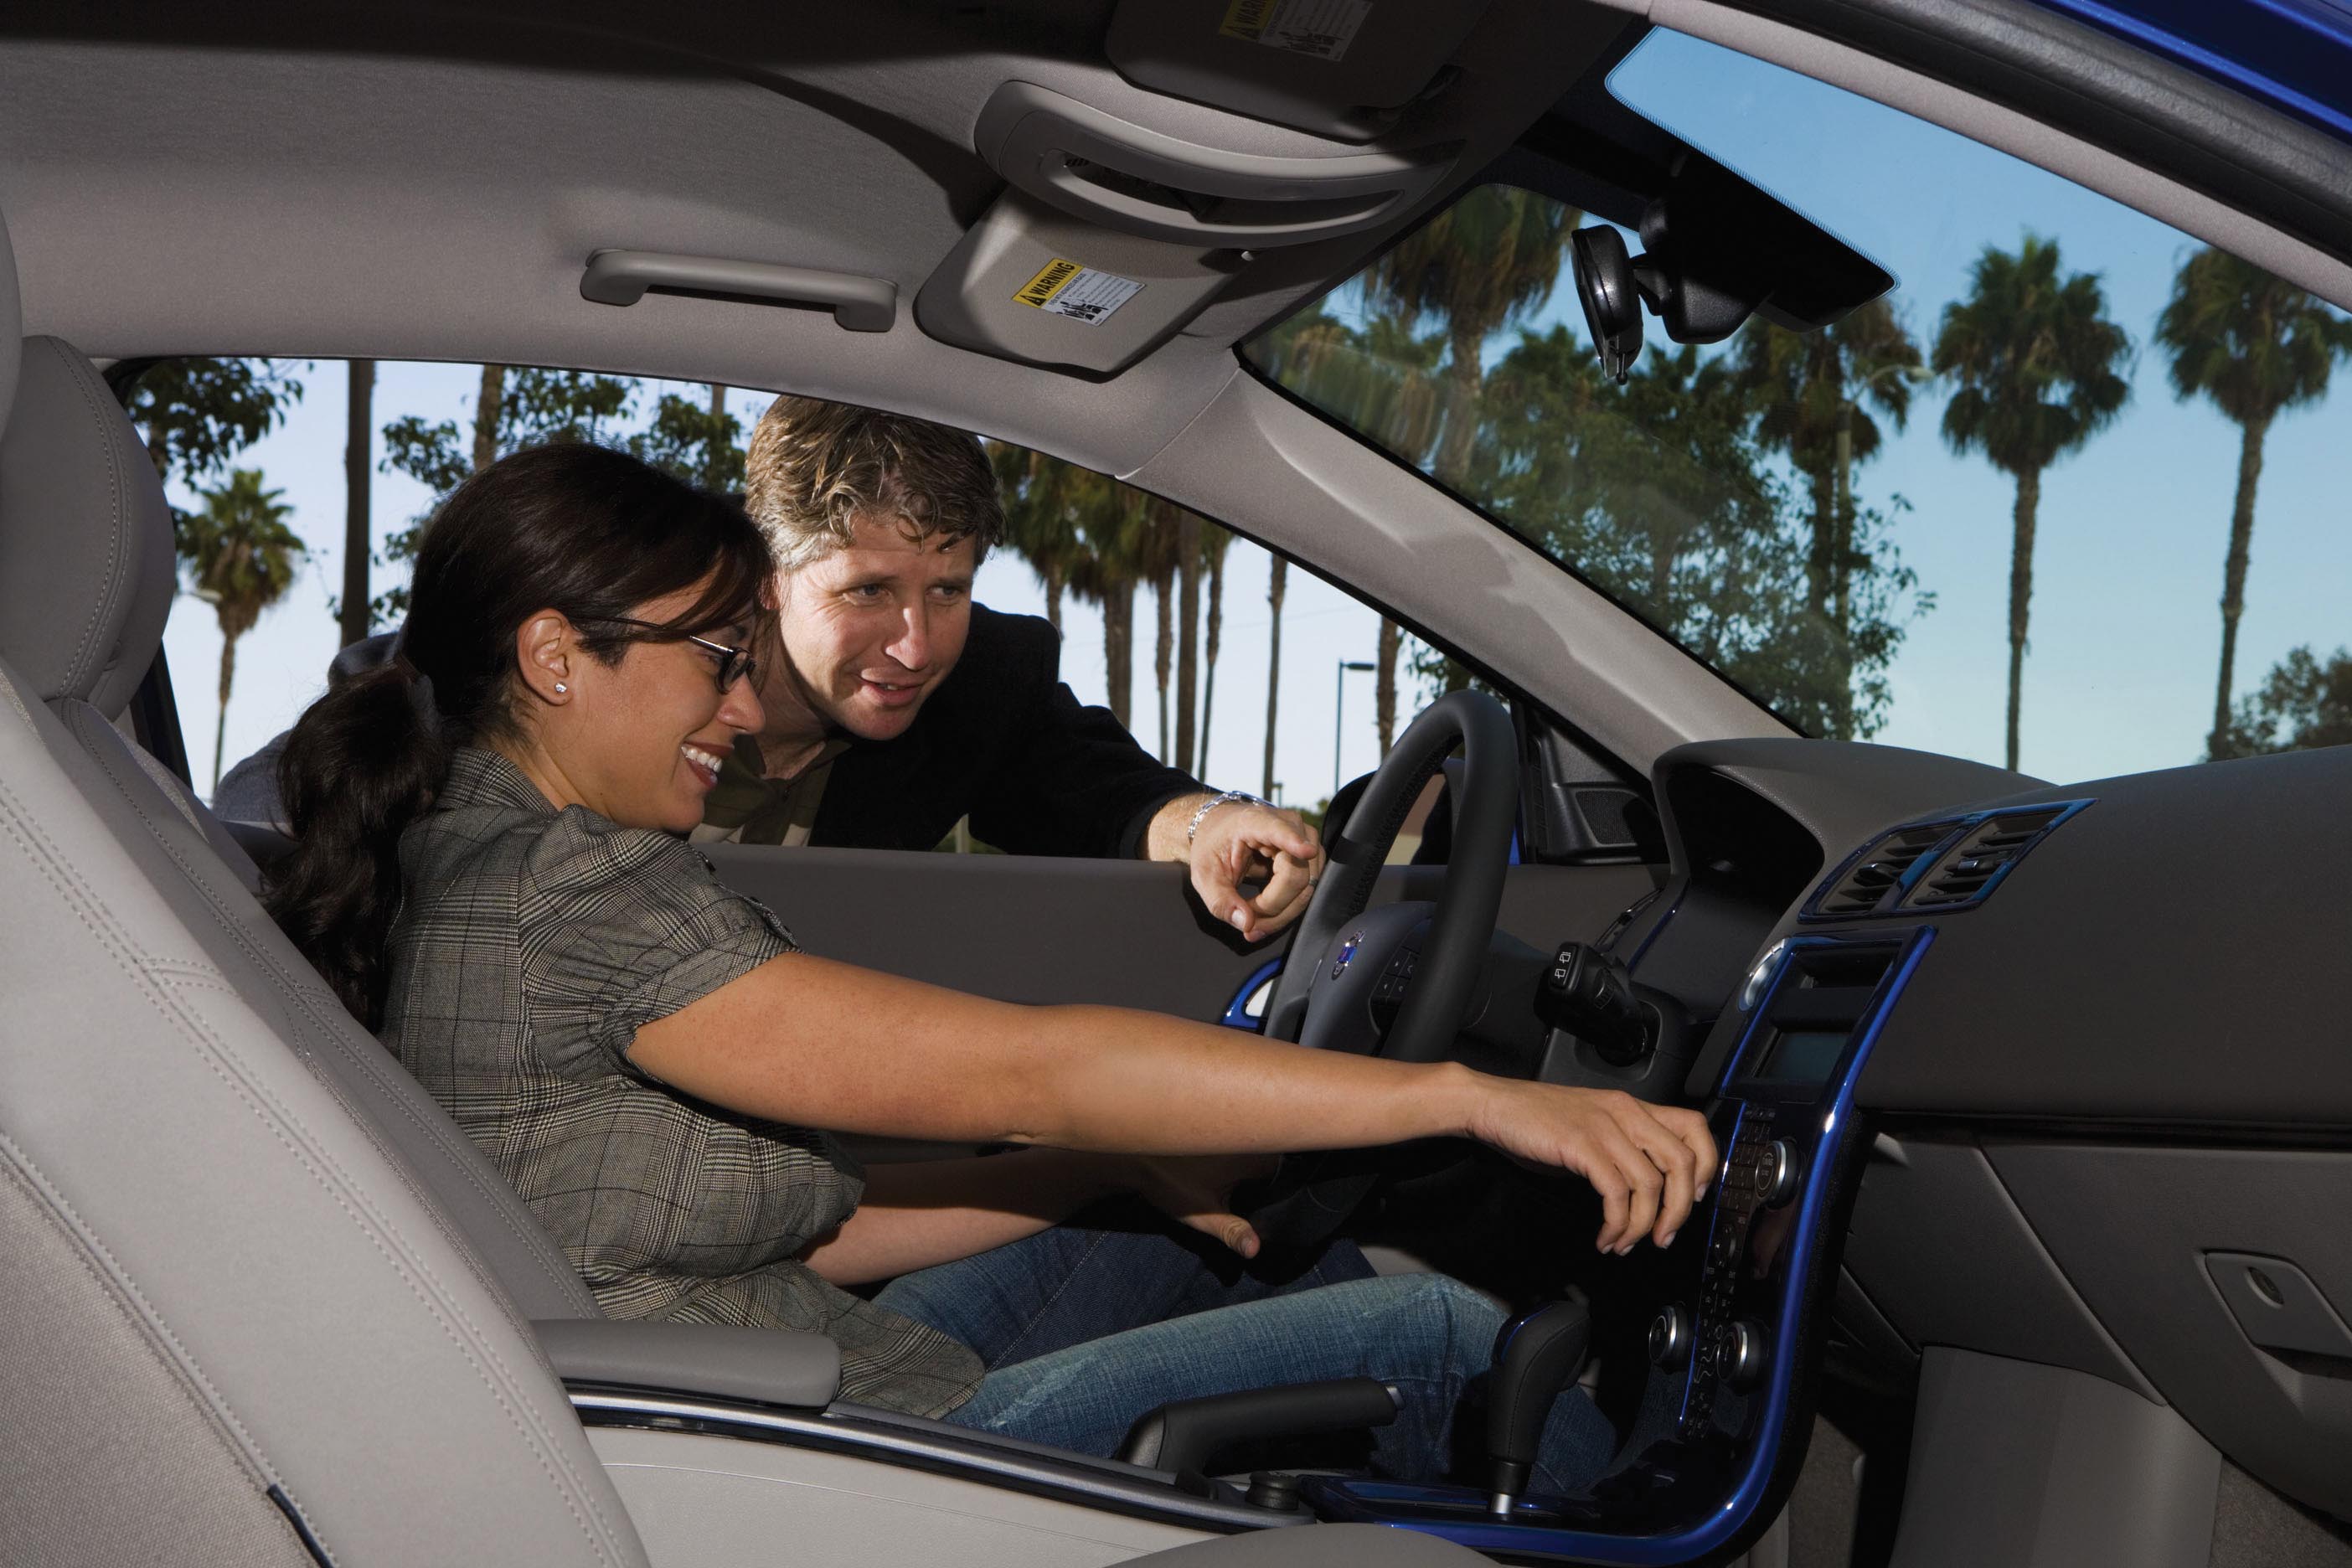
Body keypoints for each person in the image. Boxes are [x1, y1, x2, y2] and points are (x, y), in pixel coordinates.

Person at [261, 443, 1715, 1492]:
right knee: (1449, 1343)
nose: (738, 693)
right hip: (809, 1458)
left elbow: (788, 1231)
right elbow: (1035, 1073)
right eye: (713, 655)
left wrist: (1106, 1173)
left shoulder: (481, 849)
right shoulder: (573, 892)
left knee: (1190, 1226)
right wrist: (1472, 1098)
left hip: (780, 1354)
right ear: (554, 657)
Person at [219, 397, 1323, 943]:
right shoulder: (621, 679)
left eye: (949, 589)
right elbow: (371, 742)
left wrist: (1209, 826)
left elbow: (1105, 794)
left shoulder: (986, 682)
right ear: (771, 578)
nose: (918, 644)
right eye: (869, 592)